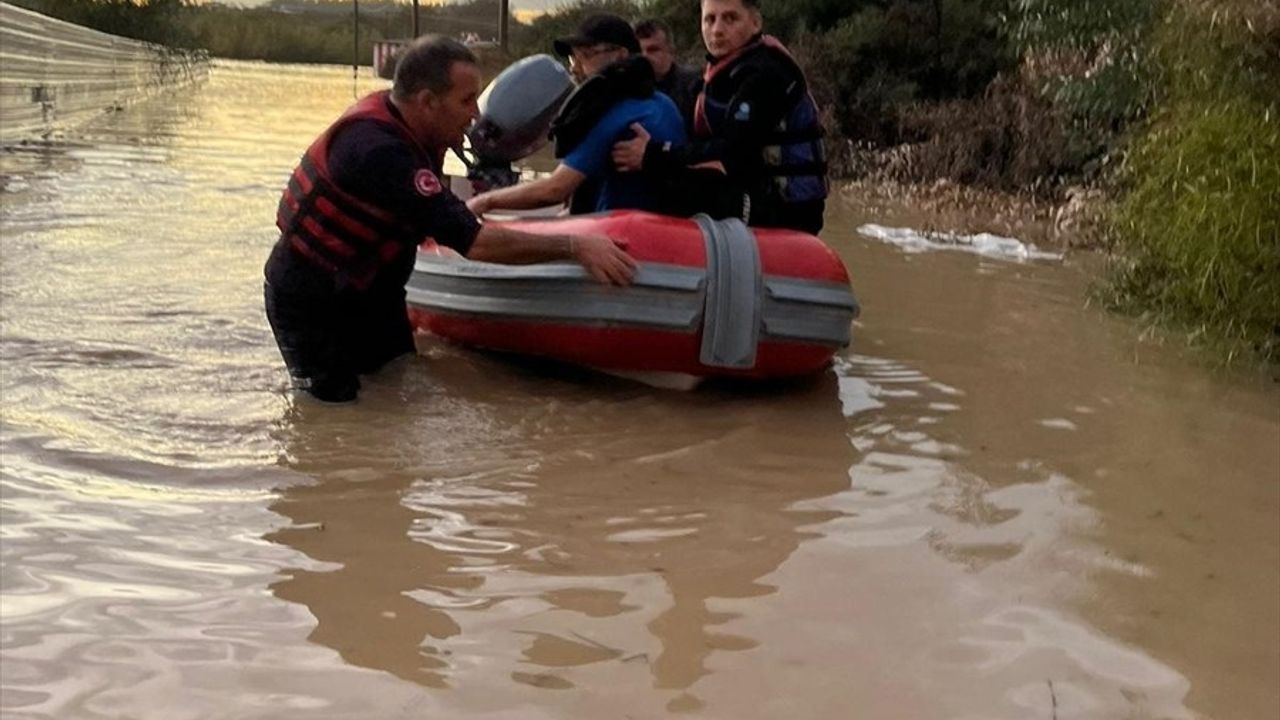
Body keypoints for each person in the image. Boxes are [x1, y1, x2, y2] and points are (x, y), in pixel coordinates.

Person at [264, 36, 636, 403]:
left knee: (397, 392)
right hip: (312, 298)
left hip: (374, 292)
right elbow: (475, 243)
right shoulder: (377, 152)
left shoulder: (412, 127)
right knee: (335, 411)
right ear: (427, 102)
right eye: (466, 100)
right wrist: (574, 246)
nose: (475, 113)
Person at [612, 0, 828, 235]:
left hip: (788, 209)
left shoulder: (767, 73)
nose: (717, 30)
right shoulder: (720, 74)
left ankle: (632, 242)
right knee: (663, 176)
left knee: (676, 188)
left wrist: (653, 153)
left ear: (755, 23)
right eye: (710, 19)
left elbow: (733, 150)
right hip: (754, 189)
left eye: (730, 18)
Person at [465, 14, 685, 218]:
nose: (575, 68)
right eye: (573, 59)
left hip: (627, 240)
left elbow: (555, 189)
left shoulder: (618, 113)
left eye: (587, 56)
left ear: (621, 55)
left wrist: (485, 201)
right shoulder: (660, 103)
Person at [634, 18, 702, 134]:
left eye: (653, 50)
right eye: (638, 51)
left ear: (671, 51)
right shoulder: (629, 92)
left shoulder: (695, 86)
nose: (644, 57)